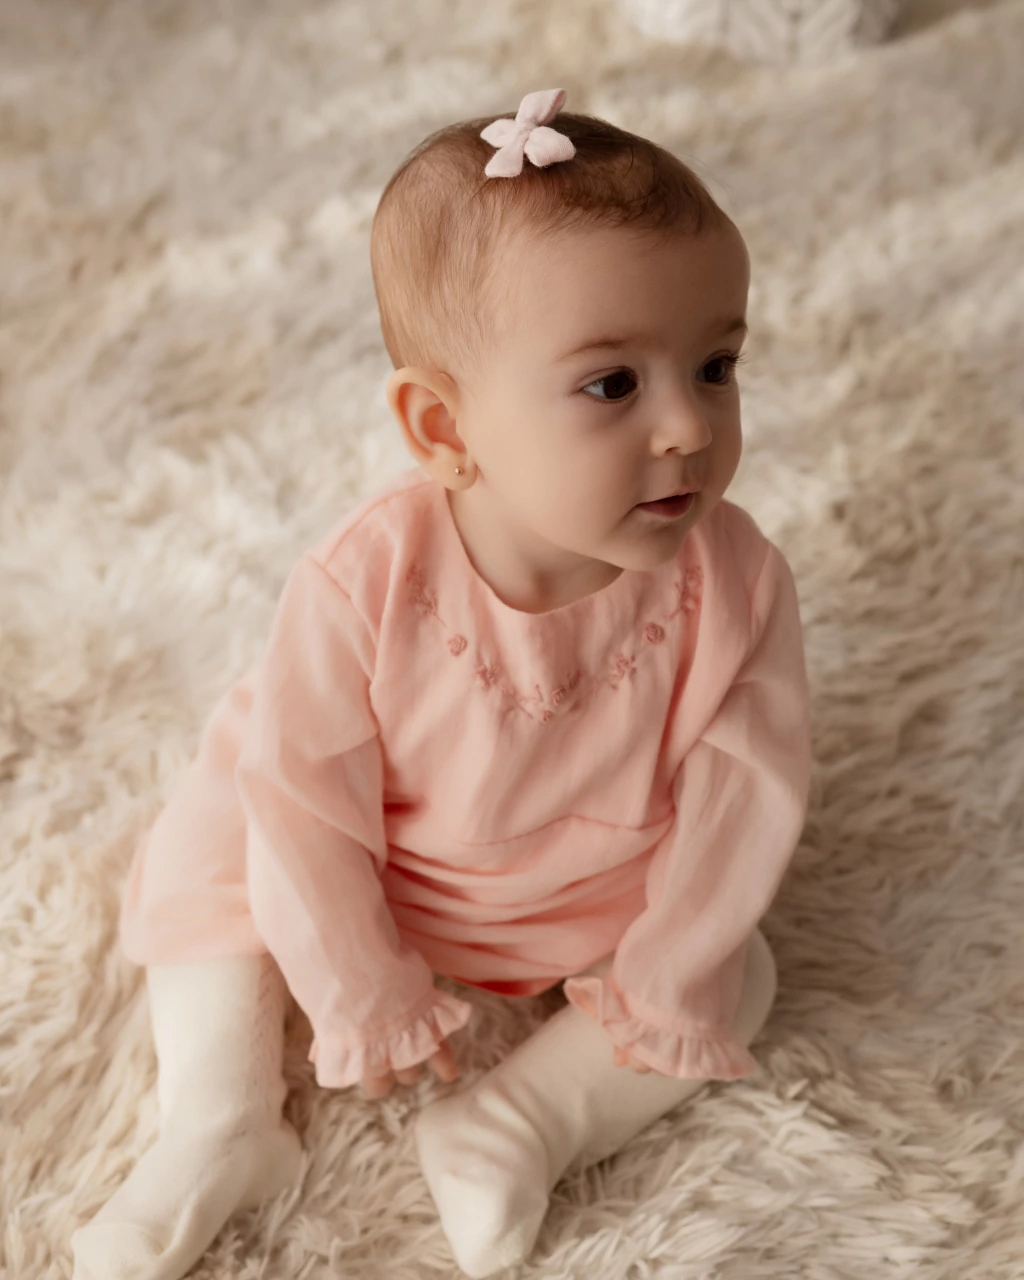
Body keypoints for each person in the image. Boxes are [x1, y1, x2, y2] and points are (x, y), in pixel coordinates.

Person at [71, 88, 811, 1280]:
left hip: (584, 878)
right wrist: (361, 988)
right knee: (211, 850)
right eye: (613, 384)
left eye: (715, 364)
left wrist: (671, 966)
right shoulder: (364, 583)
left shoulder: (735, 581)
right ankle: (216, 1120)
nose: (687, 424)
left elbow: (744, 793)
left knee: (738, 973)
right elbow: (305, 802)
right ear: (443, 426)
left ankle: (517, 1120)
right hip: (371, 859)